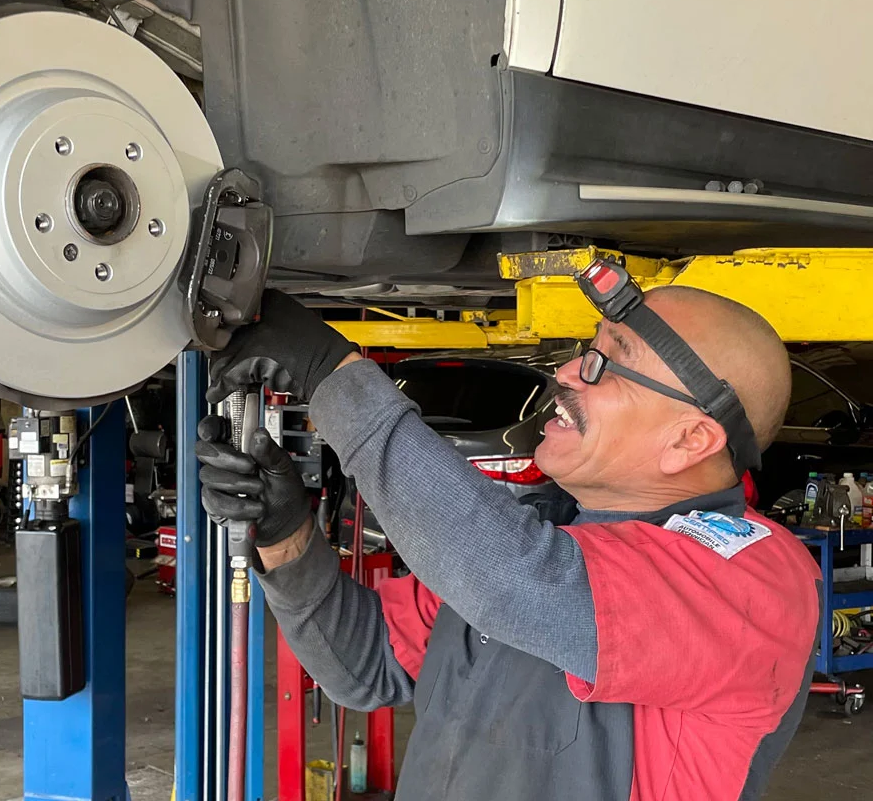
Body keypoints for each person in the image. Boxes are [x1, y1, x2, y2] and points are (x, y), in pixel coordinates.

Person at [197, 274, 821, 801]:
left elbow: (520, 580)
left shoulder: (752, 578)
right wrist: (286, 532)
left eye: (606, 363)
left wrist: (331, 373)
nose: (568, 371)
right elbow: (363, 665)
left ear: (690, 440)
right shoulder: (544, 535)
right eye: (585, 348)